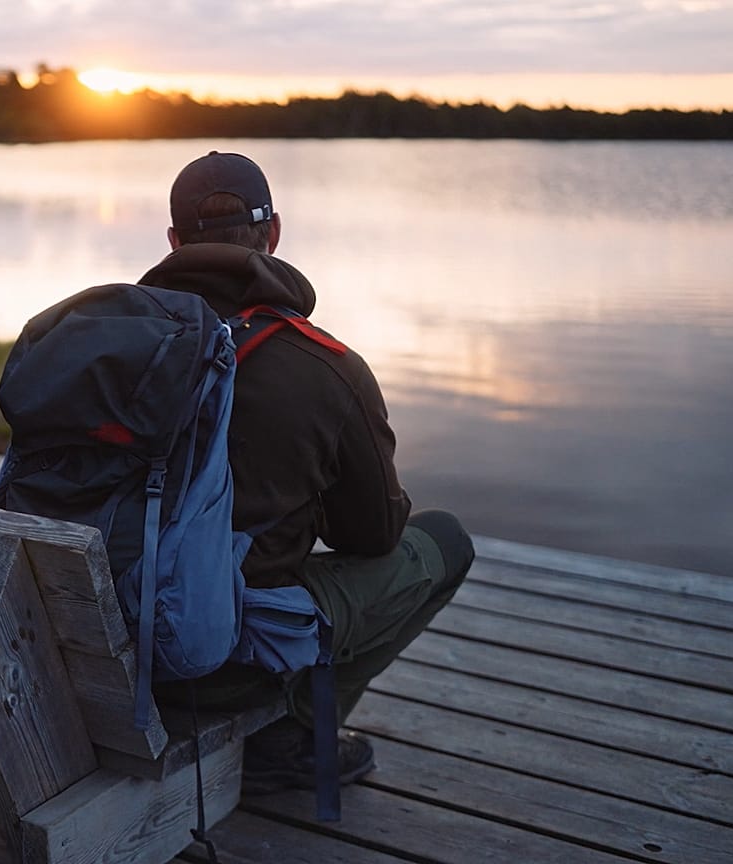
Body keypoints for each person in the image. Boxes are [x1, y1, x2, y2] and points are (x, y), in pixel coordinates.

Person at [142, 152, 475, 794]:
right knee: (446, 541)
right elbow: (372, 537)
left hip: (100, 638)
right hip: (216, 660)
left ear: (175, 242)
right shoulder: (326, 367)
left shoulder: (102, 344)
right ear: (273, 236)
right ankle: (292, 734)